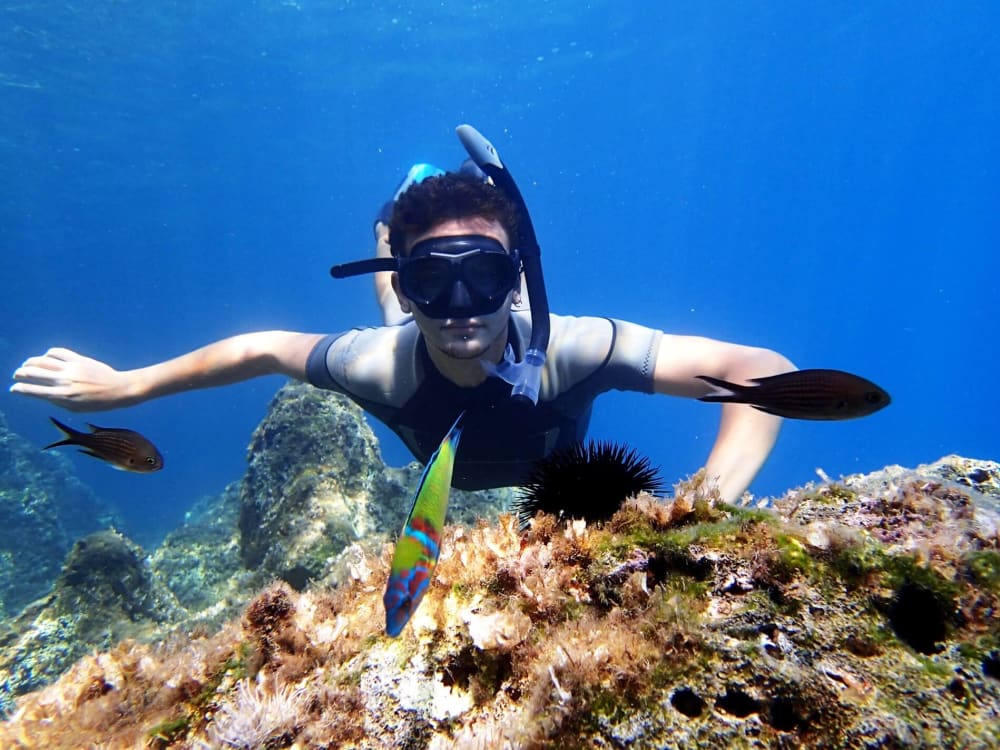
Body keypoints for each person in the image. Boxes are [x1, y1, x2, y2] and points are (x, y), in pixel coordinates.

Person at [9, 146, 794, 503]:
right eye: (431, 280)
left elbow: (764, 372)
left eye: (485, 275)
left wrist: (705, 502)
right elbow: (262, 347)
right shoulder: (376, 363)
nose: (461, 307)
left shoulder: (574, 348)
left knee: (410, 321)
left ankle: (412, 235)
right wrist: (126, 386)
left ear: (518, 279)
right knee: (391, 322)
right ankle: (394, 231)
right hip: (400, 342)